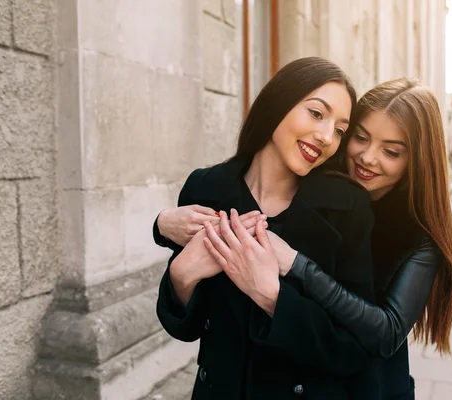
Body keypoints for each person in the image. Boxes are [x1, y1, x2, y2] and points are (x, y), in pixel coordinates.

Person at [156, 77, 452, 400]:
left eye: (390, 151)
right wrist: (162, 225)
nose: (368, 158)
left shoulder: (416, 236)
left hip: (376, 386)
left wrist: (293, 265)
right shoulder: (314, 190)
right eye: (359, 137)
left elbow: (385, 332)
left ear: (416, 160)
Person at [154, 57, 378, 400]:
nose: (326, 136)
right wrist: (183, 275)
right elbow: (187, 327)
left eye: (339, 130)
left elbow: (356, 345)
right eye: (317, 113)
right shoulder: (205, 187)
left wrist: (272, 297)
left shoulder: (348, 208)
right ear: (279, 102)